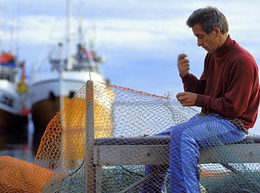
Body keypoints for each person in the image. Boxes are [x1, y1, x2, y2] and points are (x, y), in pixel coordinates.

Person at [141, 6, 260, 193]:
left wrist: (198, 99)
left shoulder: (242, 61)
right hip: (209, 120)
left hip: (233, 124)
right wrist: (186, 76)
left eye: (200, 36)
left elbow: (233, 108)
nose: (198, 43)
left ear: (216, 31)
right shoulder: (212, 56)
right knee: (157, 143)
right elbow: (204, 91)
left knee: (183, 134)